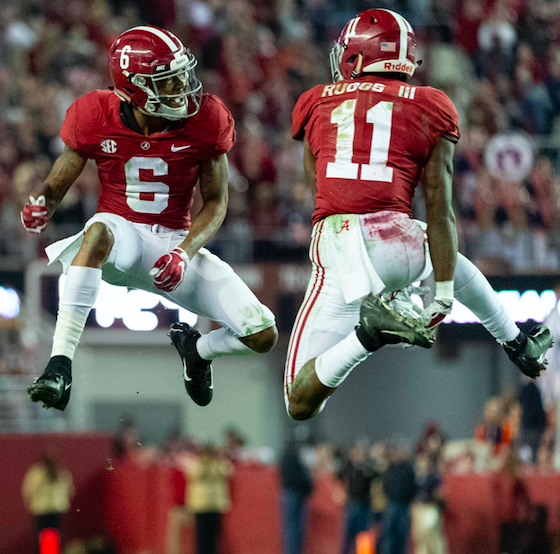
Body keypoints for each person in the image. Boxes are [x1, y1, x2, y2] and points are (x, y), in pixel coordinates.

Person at [284, 8, 553, 420]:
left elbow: (316, 186)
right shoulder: (431, 104)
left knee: (299, 401)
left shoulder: (315, 100)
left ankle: (369, 335)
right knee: (433, 245)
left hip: (341, 244)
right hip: (402, 242)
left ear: (356, 56)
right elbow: (441, 207)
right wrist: (442, 294)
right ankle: (517, 342)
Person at [22, 25, 277, 411]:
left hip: (175, 244)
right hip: (121, 237)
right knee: (97, 232)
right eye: (168, 80)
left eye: (181, 75)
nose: (183, 87)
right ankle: (60, 365)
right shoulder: (94, 114)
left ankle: (197, 352)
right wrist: (42, 202)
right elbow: (57, 183)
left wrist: (184, 252)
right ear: (136, 87)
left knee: (262, 333)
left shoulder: (207, 117)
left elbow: (216, 203)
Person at [186, 443, 233, 554]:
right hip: (201, 505)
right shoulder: (197, 464)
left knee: (213, 537)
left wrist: (218, 459)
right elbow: (195, 473)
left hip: (215, 506)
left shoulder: (218, 465)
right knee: (201, 538)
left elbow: (229, 470)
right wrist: (204, 462)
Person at [22, 454, 74, 542]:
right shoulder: (36, 474)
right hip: (47, 510)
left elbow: (27, 491)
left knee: (48, 538)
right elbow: (70, 491)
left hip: (48, 510)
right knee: (49, 537)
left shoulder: (60, 473)